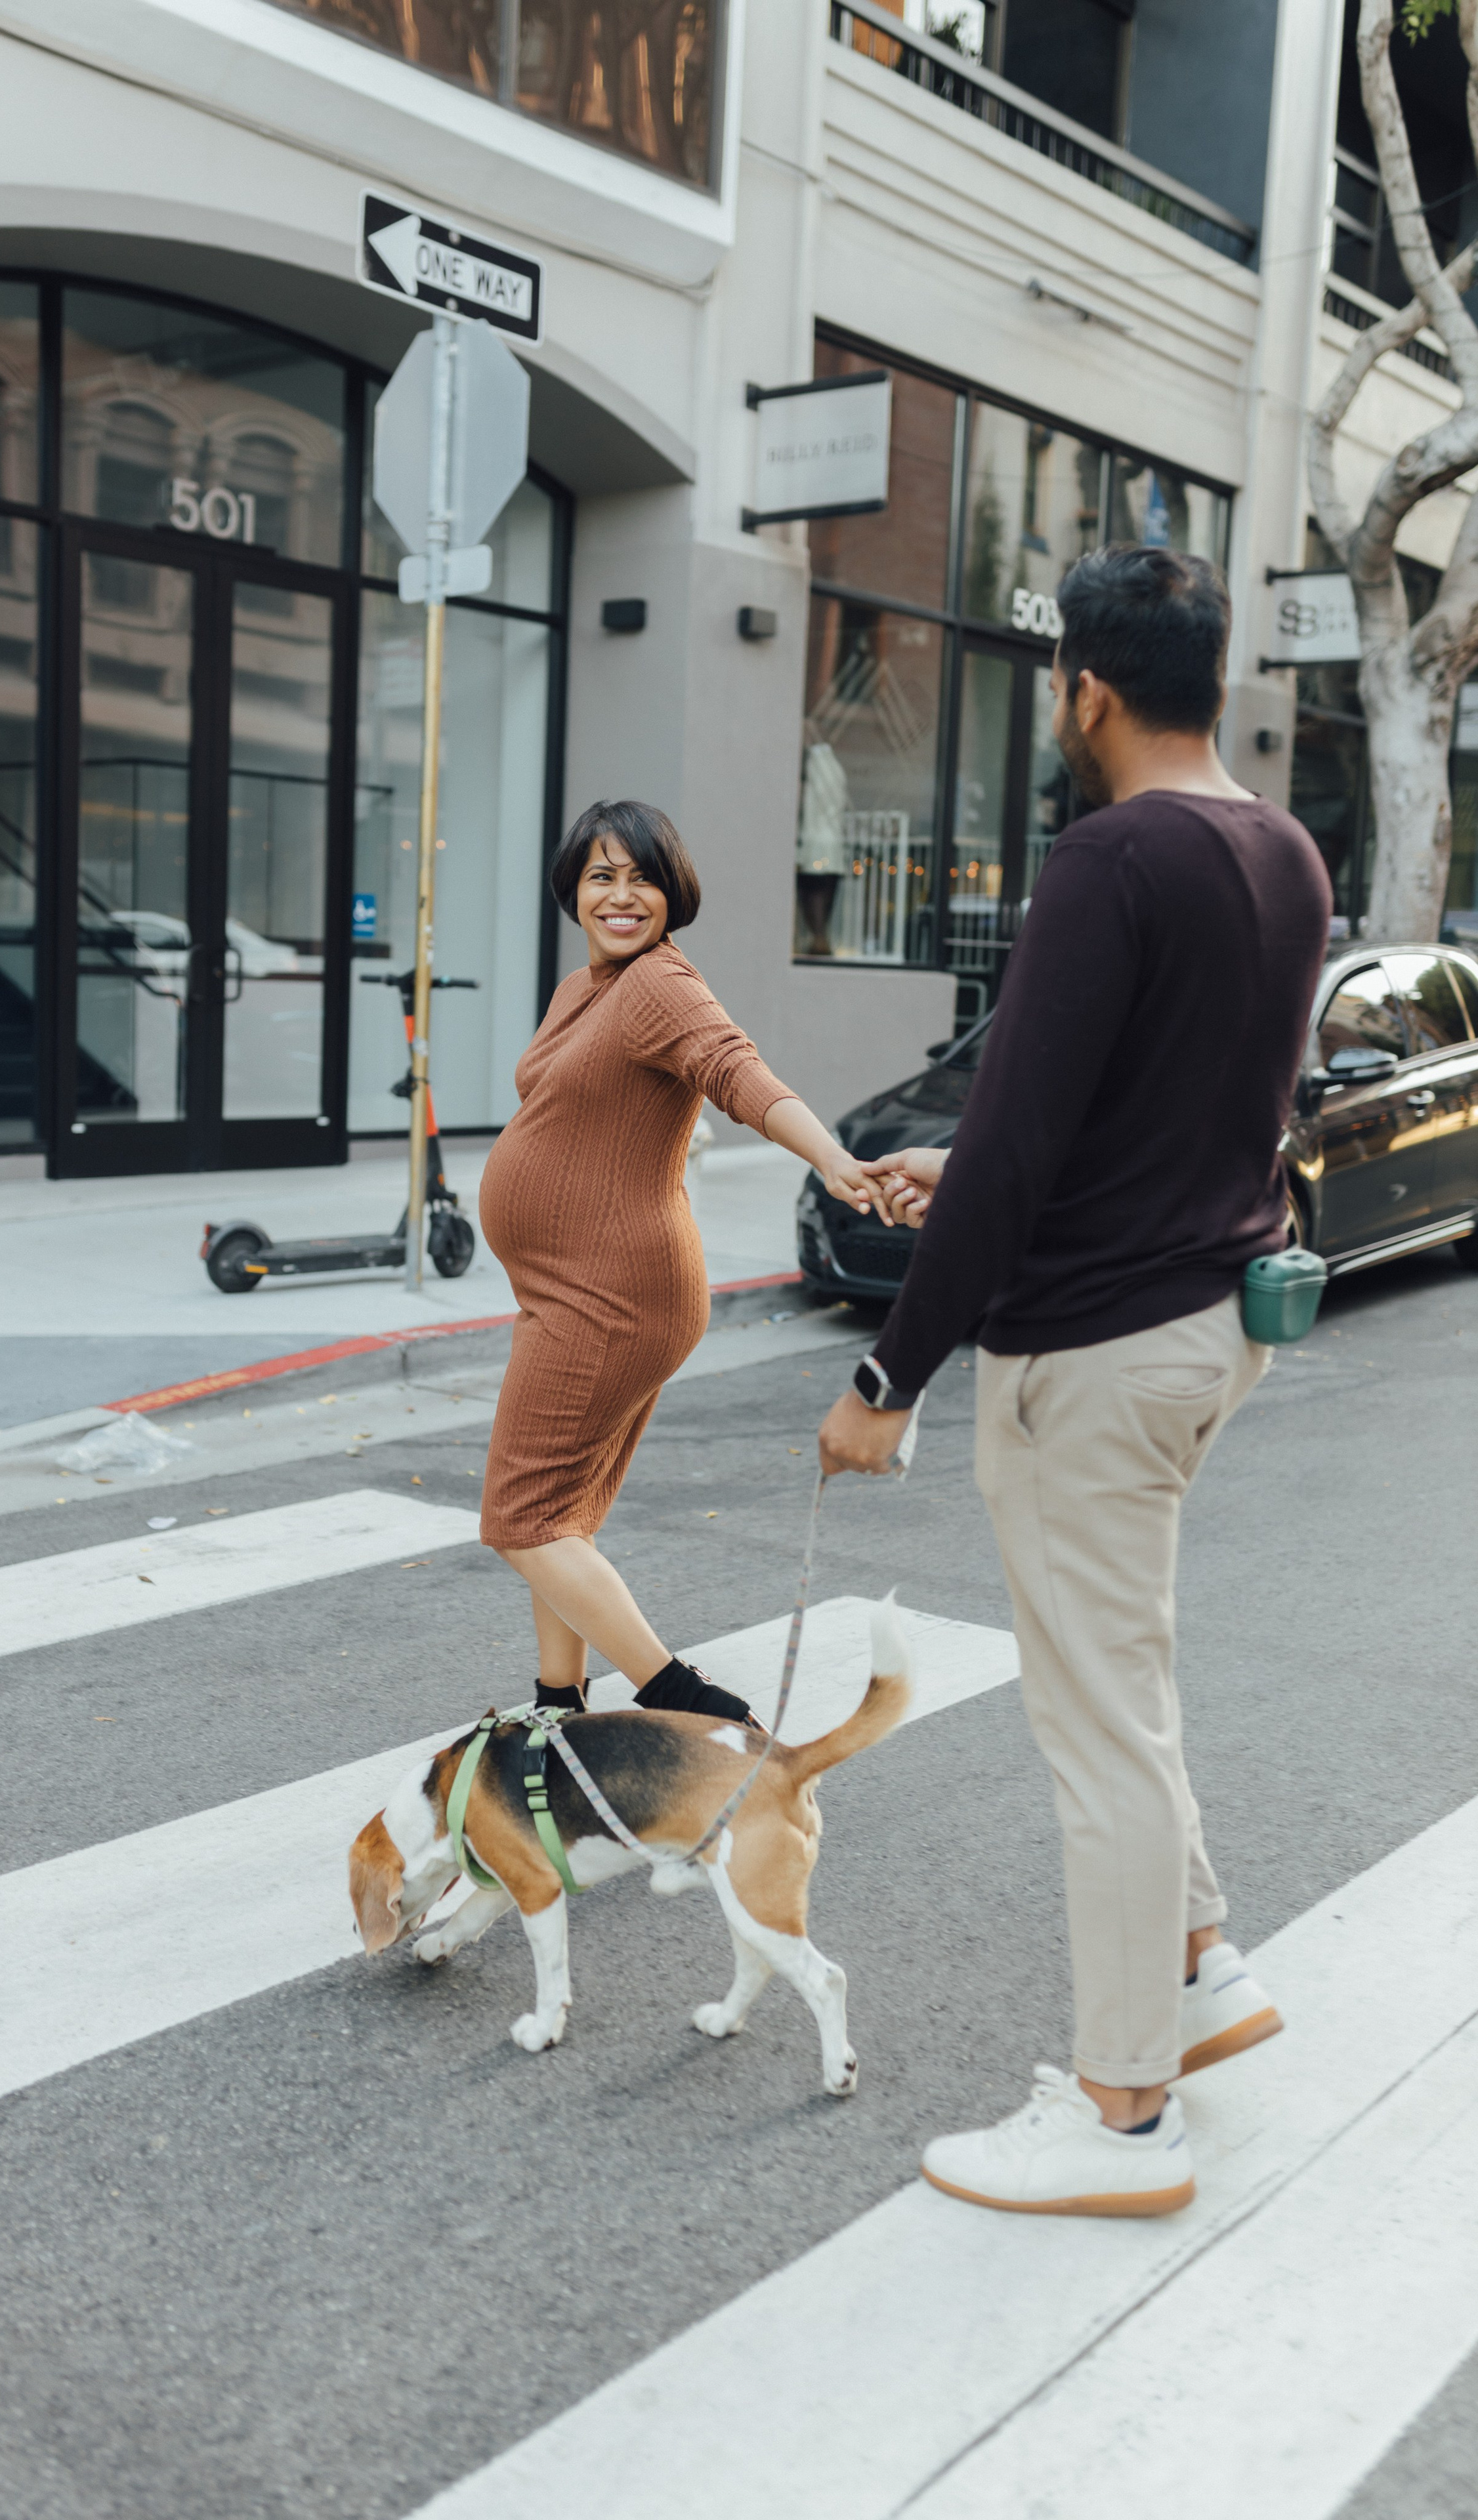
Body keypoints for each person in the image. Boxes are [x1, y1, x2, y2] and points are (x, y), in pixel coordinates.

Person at [817, 546, 1331, 2216]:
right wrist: (960, 1166)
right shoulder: (1284, 849)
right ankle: (1193, 1968)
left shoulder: (1110, 859)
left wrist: (886, 1379)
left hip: (1095, 1354)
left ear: (1084, 691)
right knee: (1129, 1679)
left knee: (1096, 1723)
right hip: (1206, 1327)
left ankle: (1120, 2118)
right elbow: (1172, 1103)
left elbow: (1037, 1135)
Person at [481, 798, 881, 1725]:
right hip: (571, 1287)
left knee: (521, 1516)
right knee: (560, 1512)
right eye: (601, 877)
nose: (622, 896)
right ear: (573, 892)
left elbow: (738, 1073)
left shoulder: (660, 983)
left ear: (674, 893)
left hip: (610, 1293)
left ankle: (684, 1701)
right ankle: (556, 1702)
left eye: (642, 878)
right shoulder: (588, 988)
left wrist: (828, 1157)